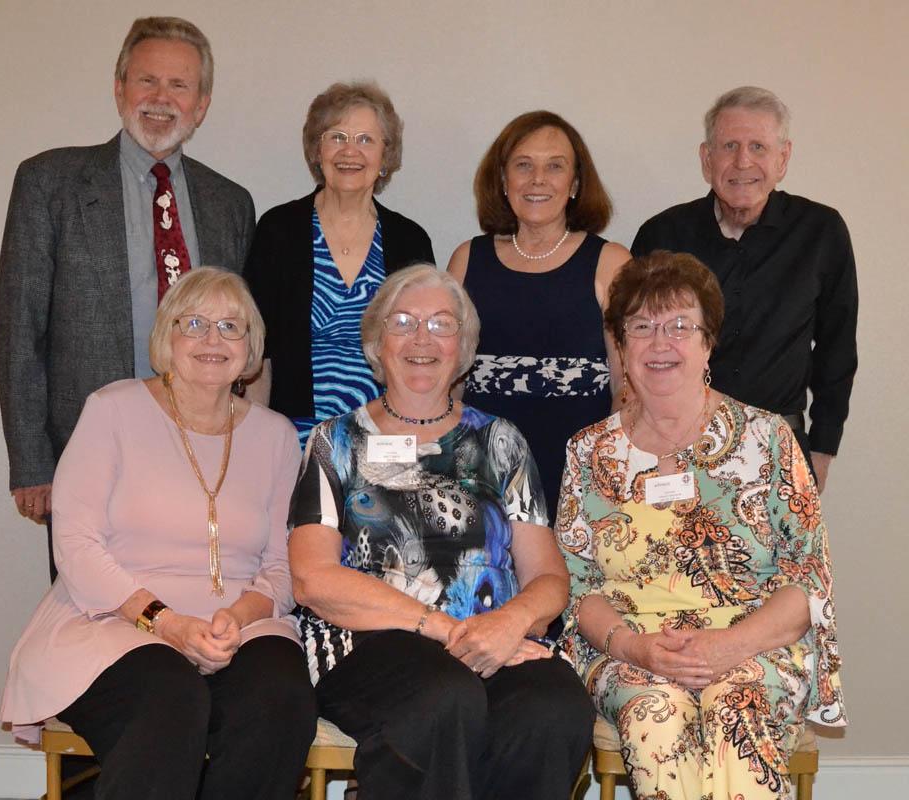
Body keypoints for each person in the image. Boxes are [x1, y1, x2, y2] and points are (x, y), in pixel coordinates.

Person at [0, 269, 316, 800]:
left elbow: (284, 562)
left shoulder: (277, 436)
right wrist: (166, 622)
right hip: (115, 618)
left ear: (251, 346)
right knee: (171, 695)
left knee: (281, 697)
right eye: (194, 323)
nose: (213, 339)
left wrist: (236, 619)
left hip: (239, 623)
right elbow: (75, 544)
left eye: (230, 326)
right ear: (166, 337)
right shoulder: (114, 409)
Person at [289, 264, 594, 800]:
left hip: (494, 639)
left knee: (553, 707)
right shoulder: (332, 441)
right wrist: (445, 628)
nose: (421, 338)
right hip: (366, 643)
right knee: (443, 695)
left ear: (464, 347)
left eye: (441, 324)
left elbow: (548, 578)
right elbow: (313, 580)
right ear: (376, 343)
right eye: (403, 321)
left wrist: (512, 620)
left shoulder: (501, 441)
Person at [556, 251, 845, 800]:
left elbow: (808, 582)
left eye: (679, 326)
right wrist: (636, 650)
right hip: (632, 650)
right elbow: (577, 589)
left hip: (753, 645)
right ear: (620, 344)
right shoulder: (589, 452)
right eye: (641, 327)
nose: (660, 343)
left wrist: (728, 647)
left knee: (735, 708)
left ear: (708, 342)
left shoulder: (767, 440)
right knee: (657, 717)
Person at [0, 17, 255, 578]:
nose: (162, 99)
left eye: (180, 86)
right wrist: (31, 461)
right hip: (88, 457)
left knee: (202, 616)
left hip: (205, 460)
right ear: (119, 89)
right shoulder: (50, 183)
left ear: (202, 103)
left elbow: (239, 337)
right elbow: (18, 329)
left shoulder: (230, 203)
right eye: (146, 81)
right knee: (97, 623)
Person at [631, 86, 858, 493]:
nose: (743, 162)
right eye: (729, 145)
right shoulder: (661, 235)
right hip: (673, 452)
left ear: (783, 159)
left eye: (758, 146)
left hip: (779, 449)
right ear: (706, 158)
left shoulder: (821, 232)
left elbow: (837, 349)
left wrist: (822, 449)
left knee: (780, 560)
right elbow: (633, 345)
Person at [448, 110, 630, 523]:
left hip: (580, 476)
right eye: (523, 165)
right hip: (482, 474)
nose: (537, 180)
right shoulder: (466, 259)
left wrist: (607, 474)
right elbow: (449, 383)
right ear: (502, 179)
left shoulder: (610, 263)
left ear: (576, 183)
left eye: (555, 166)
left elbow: (627, 384)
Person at [245, 81, 434, 446]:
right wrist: (258, 438)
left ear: (386, 156)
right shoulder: (278, 230)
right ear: (317, 150)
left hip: (389, 433)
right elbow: (258, 349)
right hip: (295, 433)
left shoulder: (410, 240)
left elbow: (424, 353)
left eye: (366, 139)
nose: (351, 151)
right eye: (337, 137)